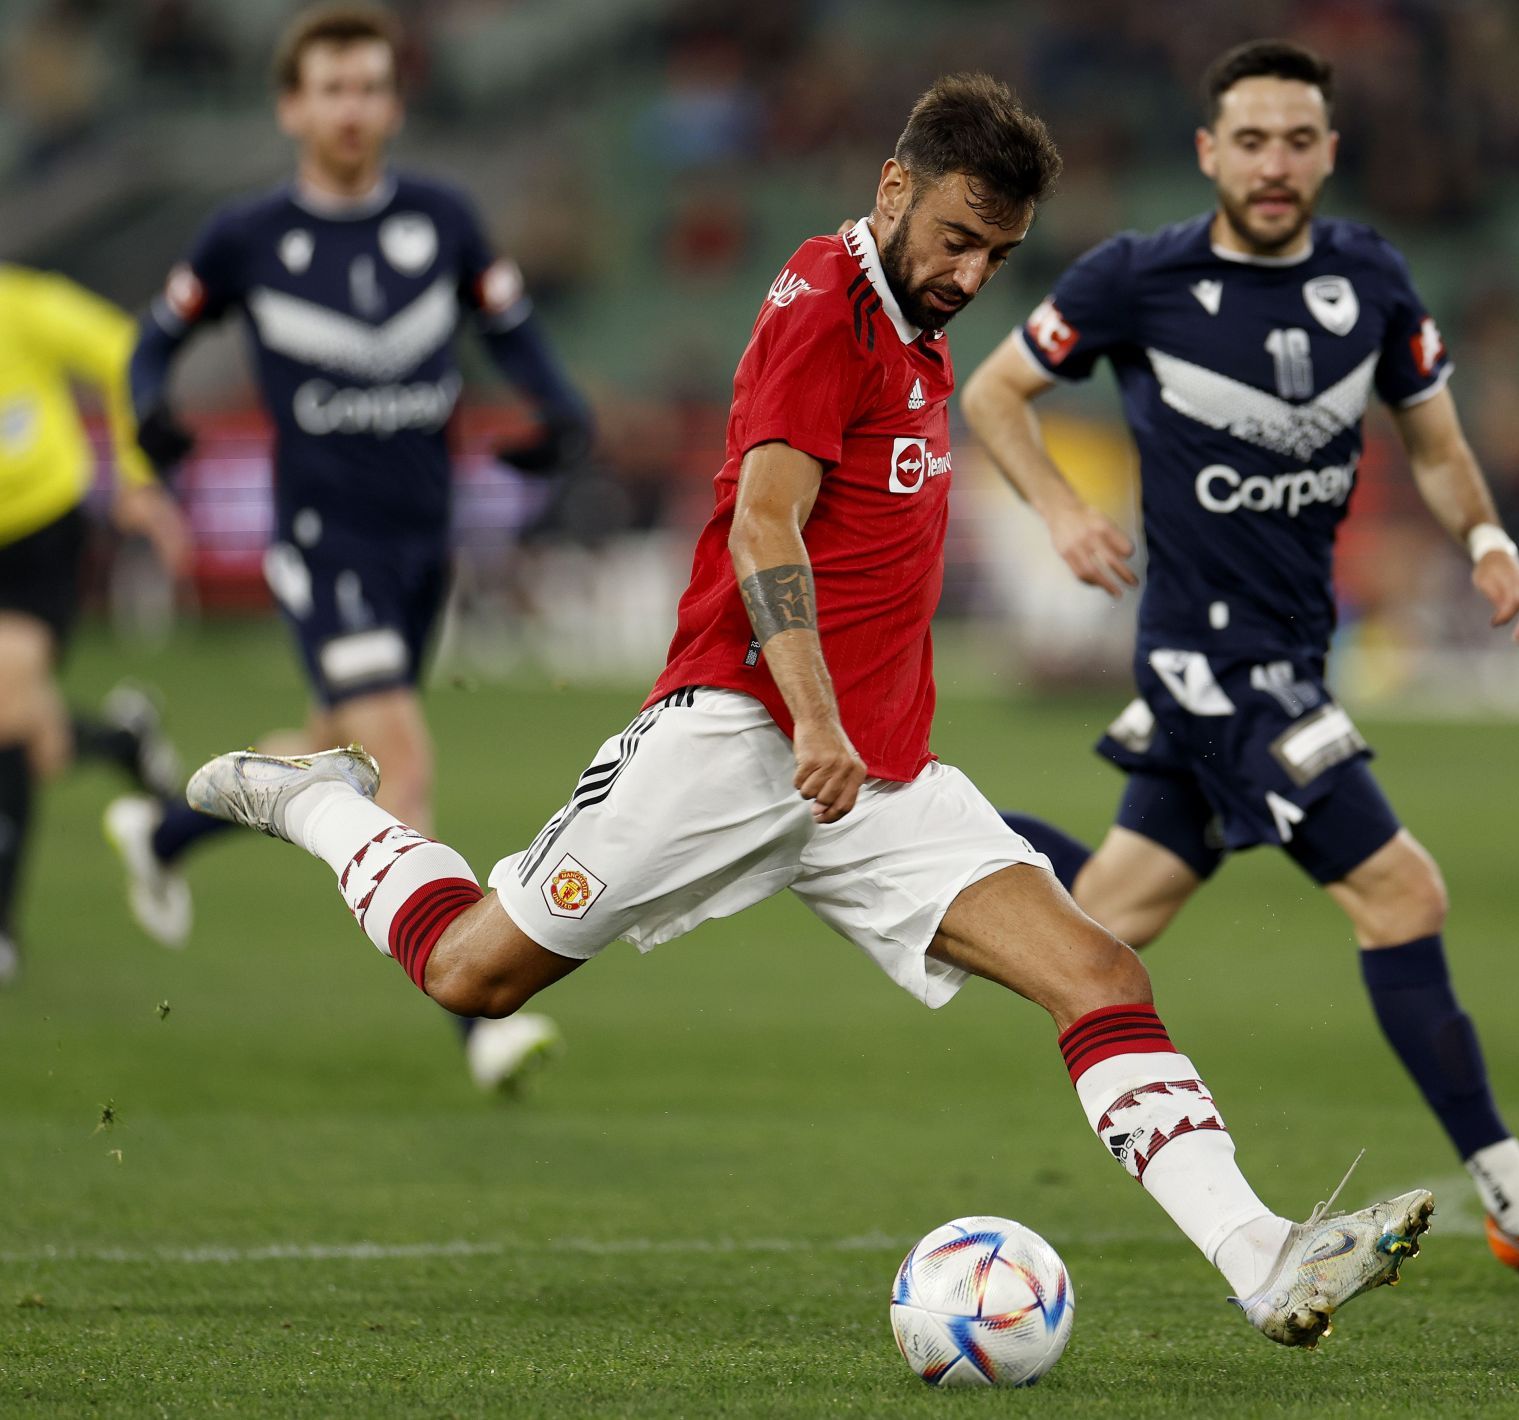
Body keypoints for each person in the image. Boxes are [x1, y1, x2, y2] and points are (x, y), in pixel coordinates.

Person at [184, 73, 1434, 1350]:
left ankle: (1262, 1257)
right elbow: (762, 524)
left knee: (1099, 971)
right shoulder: (822, 307)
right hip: (737, 734)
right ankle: (323, 805)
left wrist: (851, 735)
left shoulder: (916, 323)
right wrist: (815, 717)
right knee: (474, 971)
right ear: (893, 187)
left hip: (877, 777)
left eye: (997, 253)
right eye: (954, 236)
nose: (968, 272)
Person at [961, 40, 1519, 1274]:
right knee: (1404, 894)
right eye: (1251, 141)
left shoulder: (1372, 279)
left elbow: (1440, 446)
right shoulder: (1140, 276)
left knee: (1107, 916)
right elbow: (993, 393)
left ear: (1330, 151)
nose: (1275, 164)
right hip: (1216, 666)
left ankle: (900, 839)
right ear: (1209, 153)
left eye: (1298, 141)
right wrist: (1063, 510)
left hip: (1293, 651)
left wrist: (1491, 541)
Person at [115, 2, 590, 1091]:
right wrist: (151, 411)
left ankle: (163, 833)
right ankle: (477, 1015)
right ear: (292, 105)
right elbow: (158, 334)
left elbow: (512, 327)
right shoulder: (246, 236)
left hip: (423, 539)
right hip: (323, 538)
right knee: (403, 766)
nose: (351, 108)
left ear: (394, 101)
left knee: (334, 758)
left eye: (370, 86)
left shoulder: (443, 217)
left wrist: (560, 413)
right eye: (330, 88)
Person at [0, 264, 192, 986]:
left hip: (36, 538)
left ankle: (2, 934)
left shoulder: (19, 306)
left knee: (2, 712)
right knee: (36, 745)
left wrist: (138, 477)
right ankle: (122, 740)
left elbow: (127, 351)